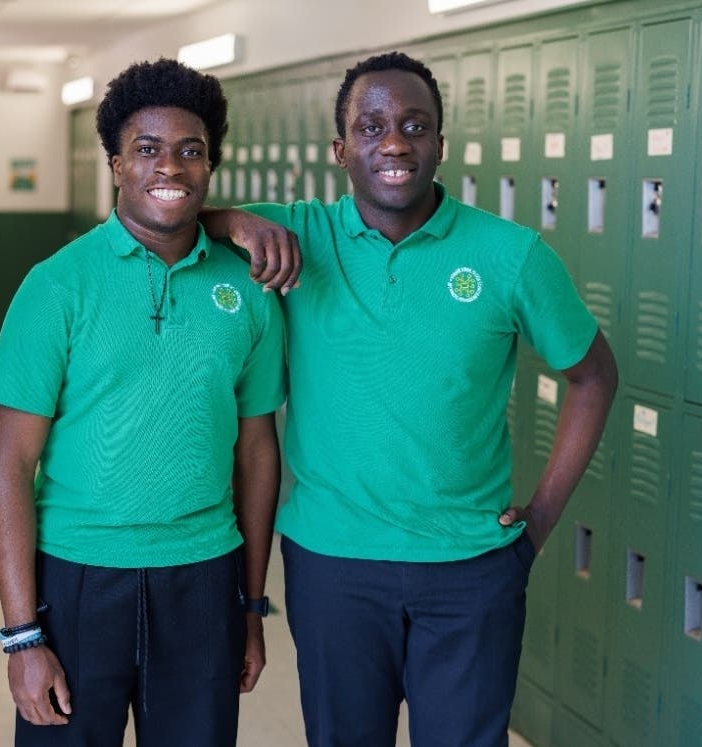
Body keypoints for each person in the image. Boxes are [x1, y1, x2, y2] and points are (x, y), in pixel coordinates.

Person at [200, 51, 618, 747]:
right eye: (371, 127)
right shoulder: (300, 233)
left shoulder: (511, 254)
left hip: (471, 569)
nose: (394, 143)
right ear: (340, 150)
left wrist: (540, 520)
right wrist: (238, 222)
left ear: (440, 145)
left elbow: (594, 376)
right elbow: (176, 217)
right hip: (332, 565)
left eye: (414, 126)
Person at [0, 58, 285, 747]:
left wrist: (250, 605)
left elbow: (257, 451)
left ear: (211, 164)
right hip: (78, 578)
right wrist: (22, 636)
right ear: (117, 164)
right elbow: (10, 465)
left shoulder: (248, 290)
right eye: (147, 149)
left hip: (204, 575)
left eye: (190, 150)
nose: (170, 166)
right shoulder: (56, 286)